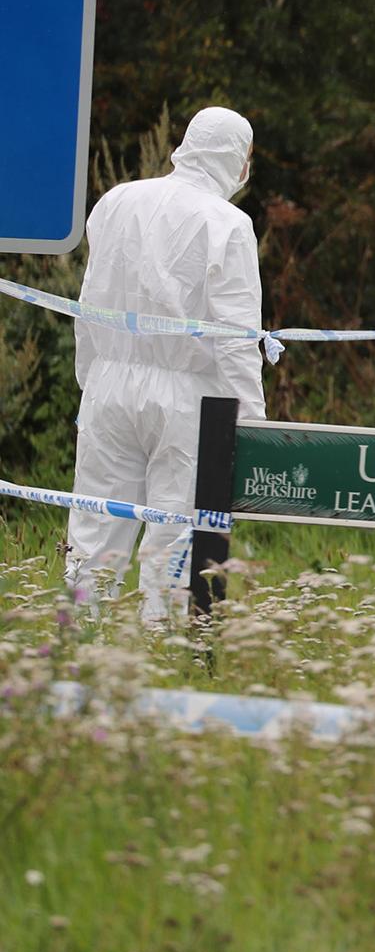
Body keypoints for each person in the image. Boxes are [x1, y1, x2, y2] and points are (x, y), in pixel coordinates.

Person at [65, 107, 266, 623]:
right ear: (235, 159)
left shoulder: (117, 201)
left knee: (95, 528)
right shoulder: (228, 224)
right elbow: (237, 339)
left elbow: (88, 307)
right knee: (175, 539)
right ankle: (162, 655)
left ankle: (76, 645)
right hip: (187, 400)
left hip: (108, 386)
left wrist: (89, 382)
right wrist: (253, 428)